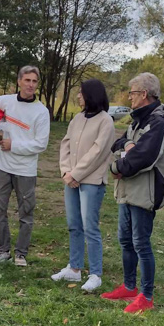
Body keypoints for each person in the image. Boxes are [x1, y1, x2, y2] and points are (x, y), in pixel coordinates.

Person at [100, 73, 164, 314]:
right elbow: (117, 143)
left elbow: (142, 159)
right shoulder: (136, 121)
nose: (129, 97)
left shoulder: (160, 123)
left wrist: (117, 166)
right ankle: (130, 287)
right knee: (125, 240)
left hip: (145, 193)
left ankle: (146, 295)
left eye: (132, 92)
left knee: (141, 243)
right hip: (127, 192)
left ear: (144, 94)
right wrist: (128, 146)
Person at [0, 66, 50, 267]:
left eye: (34, 81)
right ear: (20, 81)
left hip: (26, 170)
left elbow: (41, 144)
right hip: (2, 167)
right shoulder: (6, 101)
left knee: (26, 213)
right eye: (27, 80)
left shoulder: (41, 112)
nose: (31, 85)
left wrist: (14, 145)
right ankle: (2, 251)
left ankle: (21, 254)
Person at [52, 79, 116, 291]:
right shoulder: (77, 119)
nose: (78, 97)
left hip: (91, 181)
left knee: (90, 227)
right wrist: (65, 171)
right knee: (74, 224)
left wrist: (76, 173)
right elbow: (66, 145)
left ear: (91, 95)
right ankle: (75, 268)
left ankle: (96, 273)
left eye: (81, 93)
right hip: (71, 179)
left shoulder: (105, 121)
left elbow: (98, 152)